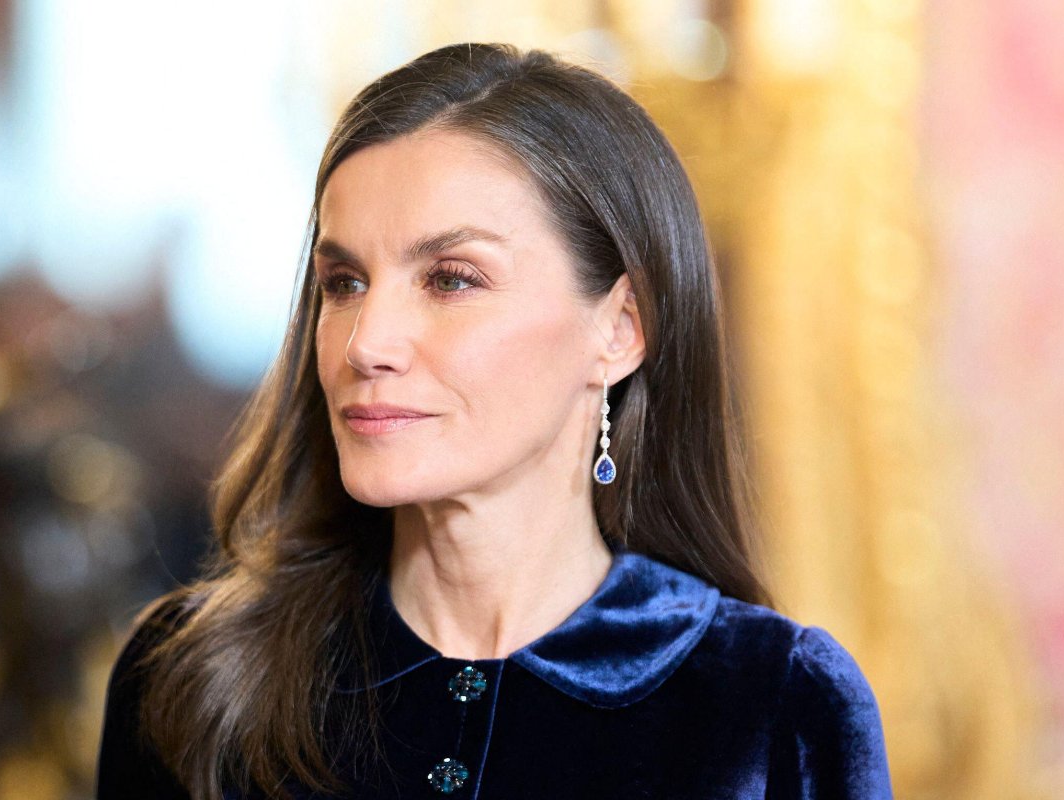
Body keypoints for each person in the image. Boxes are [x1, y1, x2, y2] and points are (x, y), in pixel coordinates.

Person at [96, 42, 893, 799]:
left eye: (450, 279)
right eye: (343, 282)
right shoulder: (193, 676)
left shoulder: (776, 703)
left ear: (621, 328)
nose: (366, 342)